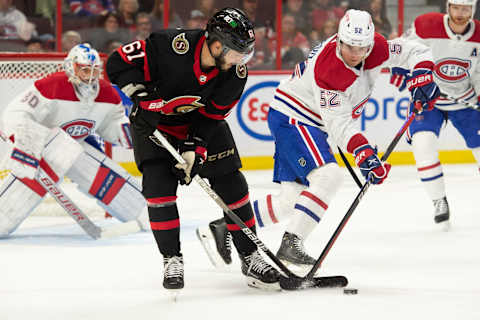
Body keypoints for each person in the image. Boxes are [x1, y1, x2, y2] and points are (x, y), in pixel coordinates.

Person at [198, 9, 440, 268]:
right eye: (349, 47)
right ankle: (292, 243)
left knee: (292, 201)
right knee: (329, 177)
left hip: (305, 120)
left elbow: (415, 50)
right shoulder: (329, 69)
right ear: (339, 40)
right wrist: (364, 153)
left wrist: (422, 76)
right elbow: (339, 123)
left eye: (362, 48)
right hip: (295, 117)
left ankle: (225, 225)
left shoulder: (376, 47)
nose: (356, 54)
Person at [106, 7, 280, 291]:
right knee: (158, 191)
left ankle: (250, 256)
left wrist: (195, 149)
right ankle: (172, 259)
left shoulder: (235, 73)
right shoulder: (170, 46)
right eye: (237, 51)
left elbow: (211, 117)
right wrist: (140, 96)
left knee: (233, 185)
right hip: (155, 129)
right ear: (215, 44)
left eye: (245, 53)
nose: (241, 60)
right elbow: (116, 63)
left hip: (199, 126)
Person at [0, 43, 150, 238]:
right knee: (64, 148)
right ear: (71, 67)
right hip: (38, 149)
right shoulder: (51, 85)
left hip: (76, 150)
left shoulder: (107, 93)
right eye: (84, 69)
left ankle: (148, 213)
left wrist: (132, 133)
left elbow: (113, 126)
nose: (90, 75)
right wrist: (25, 141)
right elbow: (15, 112)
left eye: (94, 70)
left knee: (139, 208)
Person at [390, 0, 480, 231]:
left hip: (465, 100)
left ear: (473, 9)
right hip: (429, 99)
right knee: (422, 144)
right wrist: (400, 65)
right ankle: (439, 200)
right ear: (448, 7)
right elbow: (401, 47)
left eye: (466, 9)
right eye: (456, 8)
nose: (461, 14)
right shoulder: (426, 25)